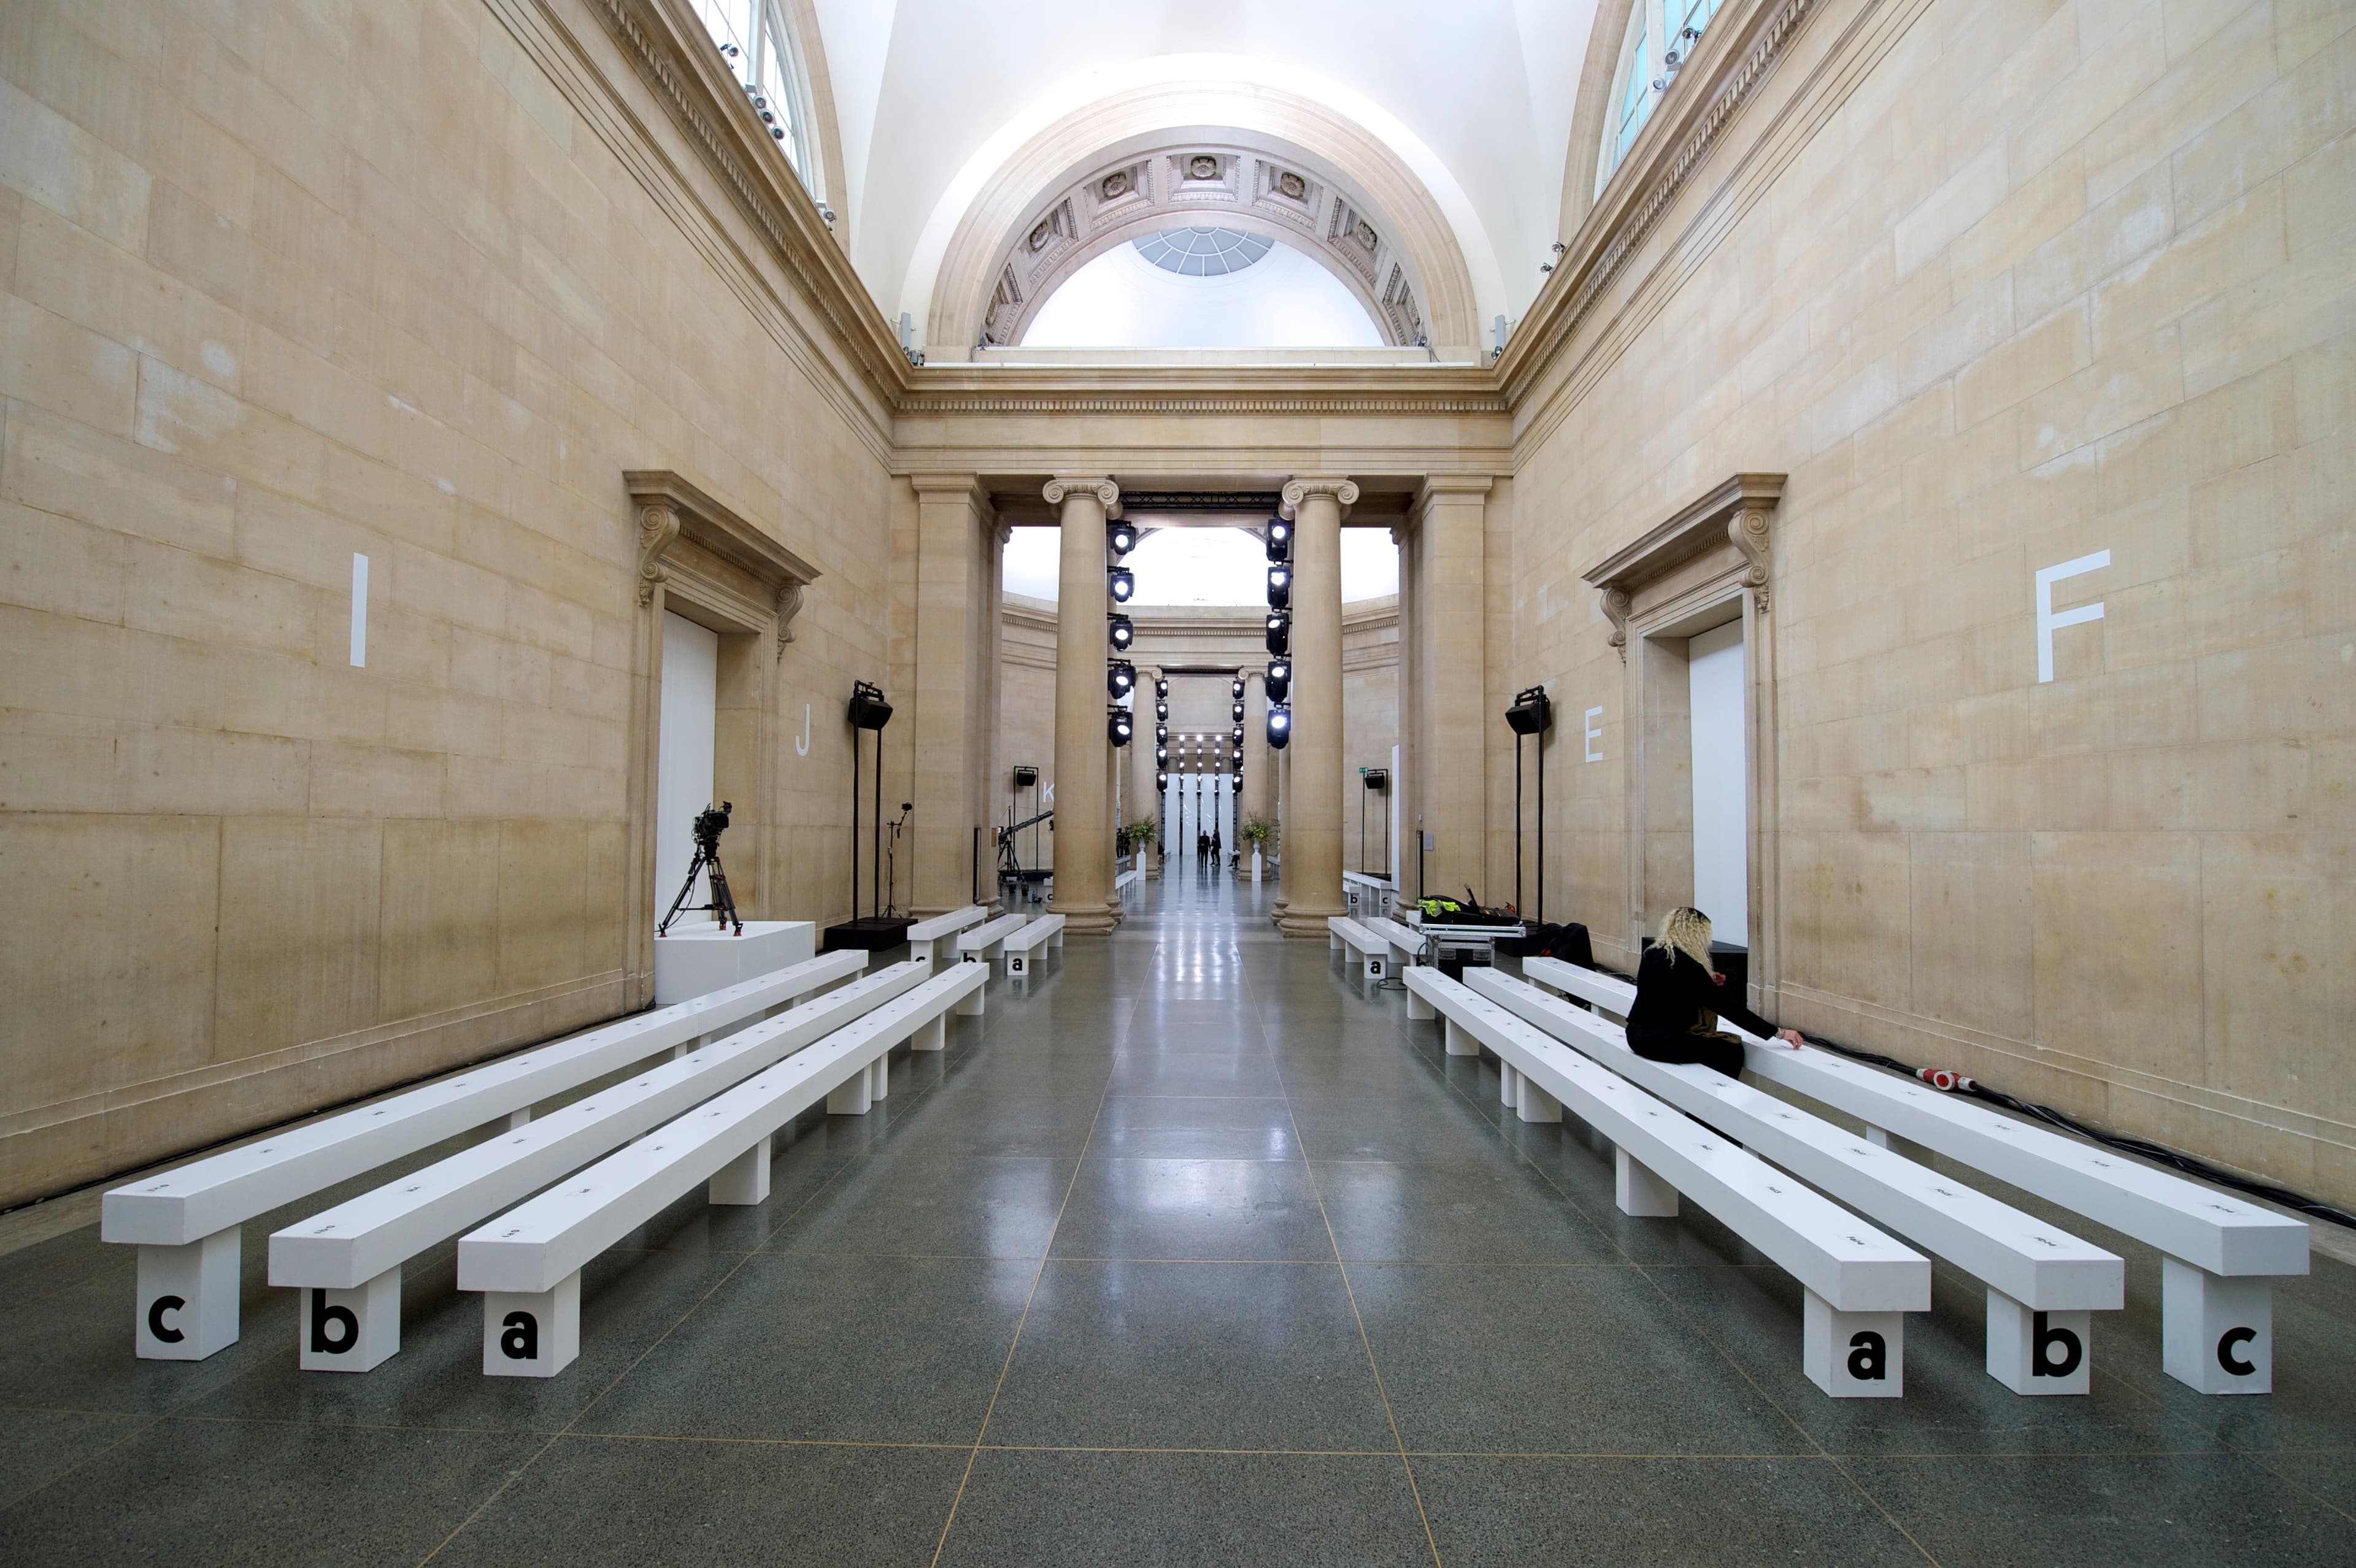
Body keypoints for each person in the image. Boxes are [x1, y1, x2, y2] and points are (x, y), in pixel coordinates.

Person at [1625, 907, 1804, 1078]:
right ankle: (1703, 1109)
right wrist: (1778, 1032)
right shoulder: (1688, 966)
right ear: (1694, 934)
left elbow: (1667, 989)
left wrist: (1707, 980)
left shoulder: (1653, 953)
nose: (1707, 942)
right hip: (1660, 1042)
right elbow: (1727, 1008)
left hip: (1634, 1036)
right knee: (1731, 1051)